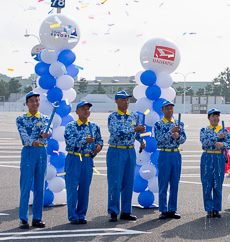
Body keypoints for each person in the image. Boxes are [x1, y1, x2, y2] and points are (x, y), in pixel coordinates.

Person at [106, 90, 145, 222]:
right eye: (123, 99)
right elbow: (116, 132)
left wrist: (141, 140)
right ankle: (113, 211)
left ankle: (126, 211)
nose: (126, 102)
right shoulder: (112, 117)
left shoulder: (133, 116)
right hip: (116, 151)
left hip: (129, 151)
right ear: (116, 101)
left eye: (128, 100)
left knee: (128, 182)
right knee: (115, 182)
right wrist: (134, 130)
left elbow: (138, 133)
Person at [64, 101, 103, 224]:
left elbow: (100, 140)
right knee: (72, 187)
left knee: (84, 188)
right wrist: (83, 141)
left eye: (88, 109)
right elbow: (69, 141)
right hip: (74, 158)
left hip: (87, 159)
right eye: (83, 109)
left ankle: (82, 214)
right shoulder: (71, 125)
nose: (86, 111)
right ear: (77, 111)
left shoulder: (94, 126)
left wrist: (99, 146)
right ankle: (73, 215)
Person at [16, 91, 50, 229]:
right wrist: (32, 142)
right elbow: (23, 134)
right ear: (26, 103)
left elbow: (48, 130)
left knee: (39, 187)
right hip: (29, 152)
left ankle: (37, 218)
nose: (34, 103)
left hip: (41, 151)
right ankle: (23, 219)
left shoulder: (45, 118)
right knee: (25, 186)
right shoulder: (21, 119)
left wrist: (47, 134)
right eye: (31, 101)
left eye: (37, 100)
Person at [154, 101, 186, 219]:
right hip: (165, 154)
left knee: (174, 183)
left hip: (176, 154)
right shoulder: (158, 124)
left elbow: (183, 139)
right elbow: (159, 140)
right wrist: (170, 132)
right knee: (163, 183)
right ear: (162, 110)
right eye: (167, 108)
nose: (169, 111)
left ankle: (172, 209)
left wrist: (178, 137)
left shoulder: (178, 123)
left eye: (171, 108)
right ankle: (163, 209)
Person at [200, 108, 230, 218]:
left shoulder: (224, 131)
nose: (215, 118)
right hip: (207, 156)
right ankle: (209, 208)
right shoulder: (204, 130)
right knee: (207, 183)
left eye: (217, 116)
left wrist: (223, 145)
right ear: (209, 118)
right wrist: (217, 137)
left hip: (219, 157)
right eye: (213, 116)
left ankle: (217, 208)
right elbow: (204, 142)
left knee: (218, 183)